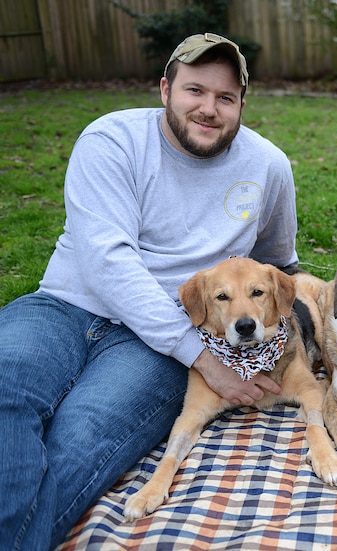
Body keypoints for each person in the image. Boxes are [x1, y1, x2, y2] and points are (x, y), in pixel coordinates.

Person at [0, 33, 299, 550]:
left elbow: (277, 265)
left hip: (153, 344)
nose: (208, 109)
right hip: (65, 308)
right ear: (165, 89)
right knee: (7, 390)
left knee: (81, 443)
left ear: (242, 106)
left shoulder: (269, 166)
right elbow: (106, 261)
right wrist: (202, 358)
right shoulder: (111, 139)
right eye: (194, 91)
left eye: (225, 98)